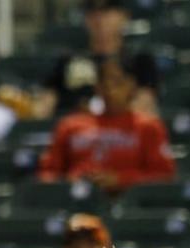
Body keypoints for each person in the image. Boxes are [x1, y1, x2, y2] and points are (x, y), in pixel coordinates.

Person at [0, 0, 159, 151]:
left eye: (106, 12)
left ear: (123, 16)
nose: (99, 20)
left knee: (98, 101)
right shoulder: (69, 59)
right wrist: (21, 104)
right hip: (62, 125)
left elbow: (144, 106)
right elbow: (46, 103)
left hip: (106, 126)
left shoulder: (137, 60)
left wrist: (98, 114)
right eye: (92, 13)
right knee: (3, 106)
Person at [38, 54, 175, 195]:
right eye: (104, 82)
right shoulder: (70, 125)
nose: (110, 89)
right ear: (97, 87)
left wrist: (120, 180)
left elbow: (163, 177)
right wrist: (70, 183)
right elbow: (48, 173)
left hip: (127, 204)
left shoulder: (149, 127)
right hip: (76, 202)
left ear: (132, 85)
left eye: (118, 82)